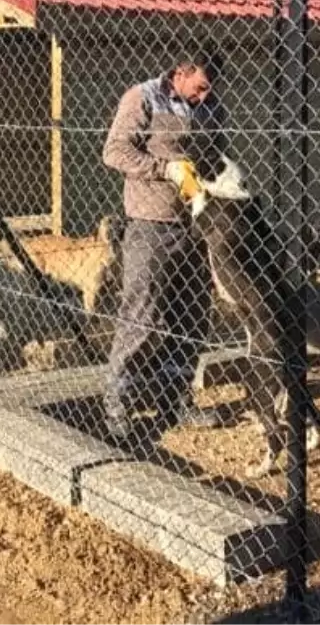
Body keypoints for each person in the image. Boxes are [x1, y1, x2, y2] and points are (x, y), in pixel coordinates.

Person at [100, 55, 228, 441]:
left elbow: (218, 150)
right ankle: (117, 405)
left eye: (211, 90)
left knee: (191, 318)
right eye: (199, 87)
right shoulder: (142, 98)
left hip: (196, 223)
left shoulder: (210, 106)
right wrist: (166, 168)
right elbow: (115, 151)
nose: (204, 97)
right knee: (142, 316)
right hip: (151, 225)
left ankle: (176, 398)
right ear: (180, 73)